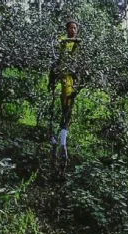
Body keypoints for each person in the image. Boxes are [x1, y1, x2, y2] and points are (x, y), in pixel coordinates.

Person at [48, 20, 82, 168]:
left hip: (74, 77)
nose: (73, 30)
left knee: (69, 107)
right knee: (65, 106)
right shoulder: (63, 41)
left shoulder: (79, 43)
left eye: (75, 28)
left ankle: (62, 140)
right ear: (67, 29)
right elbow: (61, 52)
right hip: (65, 77)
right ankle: (61, 141)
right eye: (71, 28)